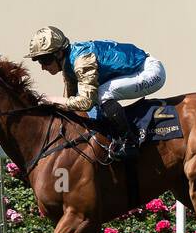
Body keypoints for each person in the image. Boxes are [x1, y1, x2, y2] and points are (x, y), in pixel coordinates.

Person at [24, 26, 167, 161]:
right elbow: (70, 101)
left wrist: (53, 99)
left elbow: (86, 102)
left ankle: (129, 143)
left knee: (101, 93)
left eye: (45, 60)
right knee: (98, 96)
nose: (42, 67)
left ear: (59, 53)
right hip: (139, 70)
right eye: (38, 61)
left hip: (151, 72)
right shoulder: (68, 64)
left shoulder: (81, 62)